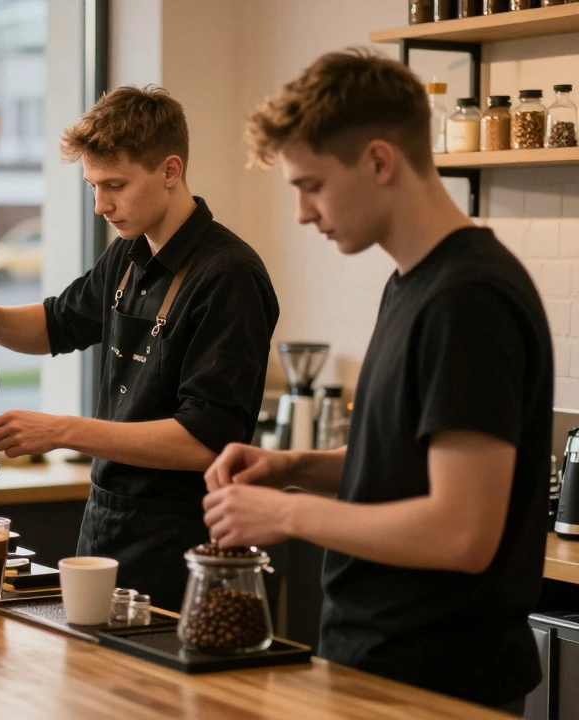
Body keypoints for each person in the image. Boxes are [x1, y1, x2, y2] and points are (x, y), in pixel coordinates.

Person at [203, 50, 550, 714]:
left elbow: (461, 533)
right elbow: (402, 466)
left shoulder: (467, 299)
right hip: (378, 665)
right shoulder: (411, 285)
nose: (303, 213)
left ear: (380, 162)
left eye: (312, 185)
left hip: (438, 683)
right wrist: (293, 467)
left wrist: (285, 513)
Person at [0, 85, 279, 609]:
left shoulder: (228, 276)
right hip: (105, 526)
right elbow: (56, 325)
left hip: (183, 543)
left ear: (170, 171)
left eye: (115, 185)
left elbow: (204, 440)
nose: (101, 205)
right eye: (93, 186)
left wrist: (61, 430)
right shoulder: (128, 254)